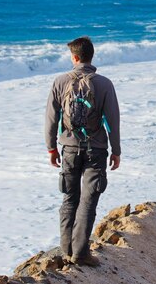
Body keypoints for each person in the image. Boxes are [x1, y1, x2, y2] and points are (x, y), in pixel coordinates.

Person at [45, 36, 121, 267]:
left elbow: (51, 118)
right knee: (88, 201)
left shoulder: (60, 82)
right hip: (96, 150)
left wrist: (51, 148)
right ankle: (80, 253)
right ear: (91, 56)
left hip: (68, 148)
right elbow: (113, 120)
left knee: (69, 198)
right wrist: (116, 150)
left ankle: (67, 250)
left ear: (75, 57)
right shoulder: (104, 84)